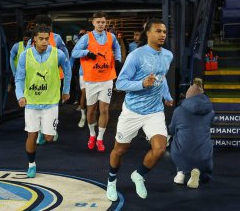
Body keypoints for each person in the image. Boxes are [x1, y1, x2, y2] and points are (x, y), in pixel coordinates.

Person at [106, 19, 173, 201]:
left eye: (164, 32)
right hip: (132, 111)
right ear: (148, 33)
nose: (162, 35)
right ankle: (111, 181)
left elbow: (162, 77)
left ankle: (139, 175)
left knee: (159, 149)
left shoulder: (168, 55)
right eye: (158, 31)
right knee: (120, 150)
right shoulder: (136, 55)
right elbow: (120, 83)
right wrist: (142, 84)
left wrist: (166, 95)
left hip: (155, 111)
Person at [15, 24, 71, 178]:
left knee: (49, 138)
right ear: (34, 39)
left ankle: (47, 131)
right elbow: (19, 78)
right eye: (41, 39)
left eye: (47, 39)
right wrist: (20, 95)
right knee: (31, 135)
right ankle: (31, 165)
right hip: (32, 102)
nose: (45, 42)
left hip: (51, 102)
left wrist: (66, 90)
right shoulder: (24, 56)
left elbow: (68, 70)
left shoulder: (58, 54)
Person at [72, 11, 121, 152]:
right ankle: (92, 135)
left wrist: (117, 59)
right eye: (98, 22)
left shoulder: (111, 37)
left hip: (107, 79)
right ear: (93, 23)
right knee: (91, 110)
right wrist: (86, 53)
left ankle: (100, 138)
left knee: (104, 109)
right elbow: (75, 52)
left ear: (106, 23)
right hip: (91, 79)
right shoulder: (87, 37)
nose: (101, 24)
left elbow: (117, 47)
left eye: (103, 22)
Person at [26, 14, 69, 144]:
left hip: (54, 75)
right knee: (38, 103)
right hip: (36, 77)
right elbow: (28, 55)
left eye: (42, 26)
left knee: (53, 102)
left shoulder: (56, 38)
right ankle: (39, 131)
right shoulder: (32, 40)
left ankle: (51, 128)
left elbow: (64, 52)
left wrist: (65, 66)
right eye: (38, 26)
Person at [168, 78, 214, 189]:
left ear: (187, 97)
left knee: (177, 138)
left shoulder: (178, 111)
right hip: (204, 156)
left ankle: (181, 173)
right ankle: (199, 173)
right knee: (203, 138)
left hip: (181, 154)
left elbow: (172, 130)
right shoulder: (211, 112)